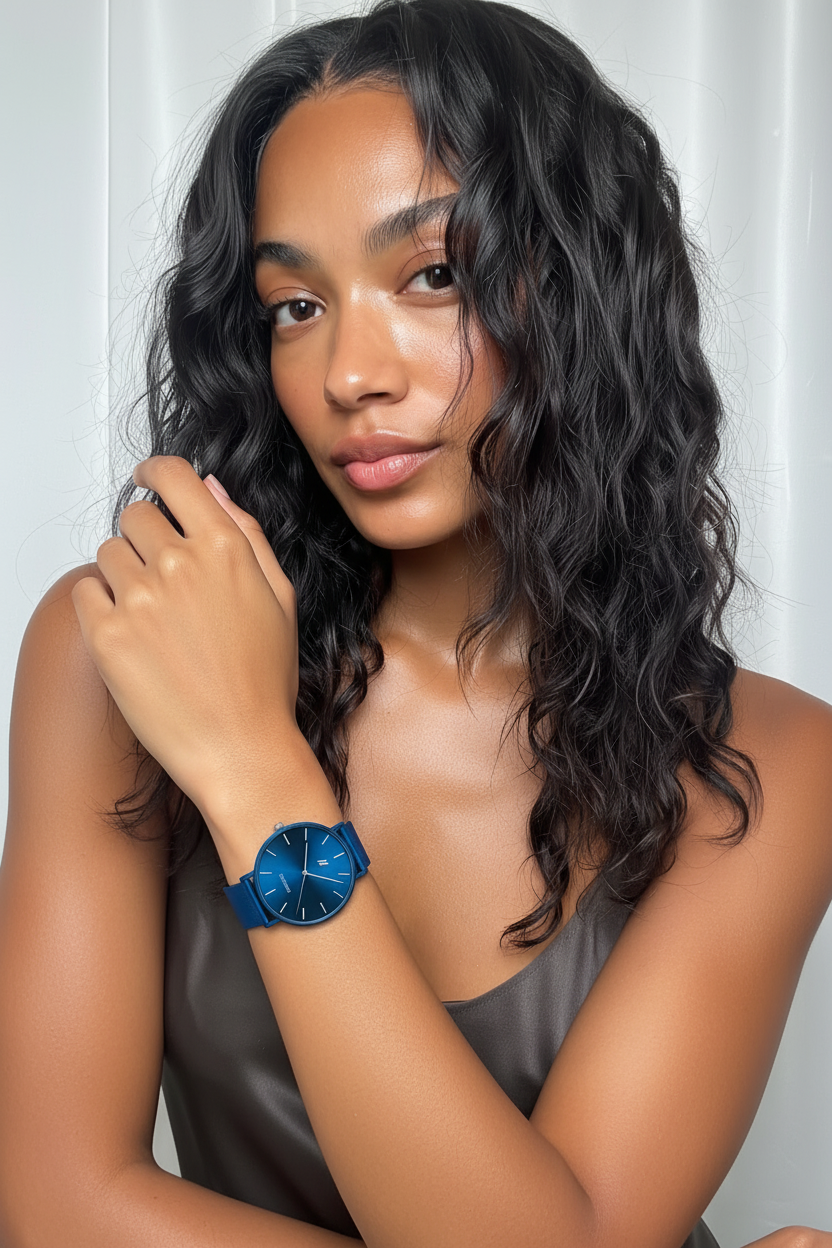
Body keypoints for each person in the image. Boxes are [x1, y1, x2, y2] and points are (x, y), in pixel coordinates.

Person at [1, 1, 830, 1244]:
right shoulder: (121, 643)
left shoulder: (772, 761)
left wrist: (257, 774)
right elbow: (51, 1205)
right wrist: (234, 744)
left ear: (577, 290)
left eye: (431, 275)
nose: (348, 374)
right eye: (295, 306)